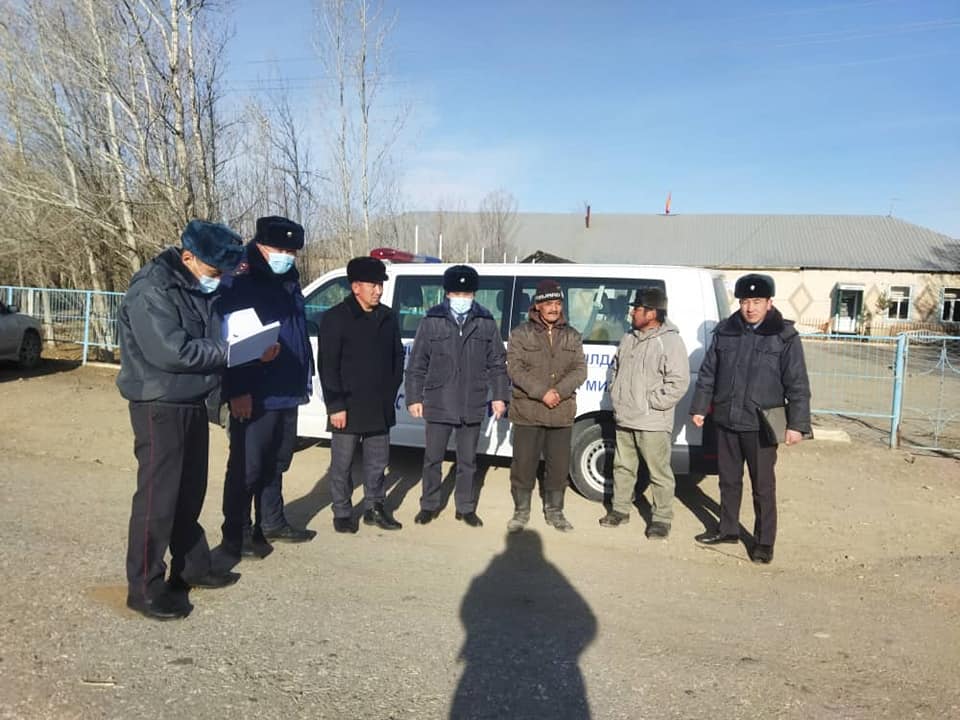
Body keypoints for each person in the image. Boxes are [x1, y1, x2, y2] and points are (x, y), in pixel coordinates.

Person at [117, 220, 278, 620]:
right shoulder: (152, 289)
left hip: (190, 400)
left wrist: (245, 349)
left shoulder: (196, 287)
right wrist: (230, 351)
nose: (217, 279)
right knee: (158, 499)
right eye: (213, 271)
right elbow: (171, 351)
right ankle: (144, 587)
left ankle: (192, 567)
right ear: (188, 257)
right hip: (159, 403)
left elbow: (206, 339)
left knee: (189, 492)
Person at [690, 273, 811, 564]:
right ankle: (728, 529)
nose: (750, 308)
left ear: (769, 303)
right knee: (728, 481)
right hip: (727, 419)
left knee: (763, 487)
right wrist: (699, 407)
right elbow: (708, 374)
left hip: (761, 425)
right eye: (745, 301)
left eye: (757, 301)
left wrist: (797, 425)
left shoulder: (784, 336)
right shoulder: (726, 332)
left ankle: (764, 542)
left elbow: (797, 384)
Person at [217, 216, 316, 560]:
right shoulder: (241, 277)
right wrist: (238, 389)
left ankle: (272, 520)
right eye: (281, 249)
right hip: (255, 389)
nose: (288, 256)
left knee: (277, 460)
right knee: (248, 465)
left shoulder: (288, 277)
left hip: (286, 386)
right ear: (261, 244)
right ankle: (237, 532)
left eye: (293, 251)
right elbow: (232, 337)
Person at [405, 265, 509, 528]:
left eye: (467, 293)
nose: (462, 298)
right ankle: (429, 505)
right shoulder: (432, 320)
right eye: (457, 293)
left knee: (468, 461)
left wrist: (500, 396)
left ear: (474, 294)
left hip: (471, 401)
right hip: (439, 400)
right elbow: (417, 363)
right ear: (447, 293)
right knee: (432, 459)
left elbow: (497, 363)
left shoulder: (485, 321)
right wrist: (414, 397)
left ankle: (465, 507)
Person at [318, 256, 404, 534]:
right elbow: (328, 366)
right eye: (373, 285)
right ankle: (342, 511)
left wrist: (390, 391)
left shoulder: (388, 317)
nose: (378, 291)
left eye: (380, 285)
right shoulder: (336, 318)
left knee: (378, 462)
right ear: (356, 287)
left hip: (379, 404)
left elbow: (397, 357)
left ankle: (374, 507)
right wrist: (335, 405)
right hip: (347, 405)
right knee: (342, 464)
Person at [600, 287, 690, 539]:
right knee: (622, 466)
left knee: (659, 472)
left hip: (652, 421)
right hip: (625, 416)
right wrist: (616, 393)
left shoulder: (670, 341)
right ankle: (620, 509)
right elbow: (615, 368)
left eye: (636, 308)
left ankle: (661, 519)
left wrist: (651, 403)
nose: (631, 313)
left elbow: (678, 382)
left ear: (651, 313)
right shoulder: (629, 337)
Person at [505, 279, 587, 533]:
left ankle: (555, 511)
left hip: (561, 411)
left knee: (558, 466)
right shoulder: (521, 334)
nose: (554, 308)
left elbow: (580, 370)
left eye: (558, 303)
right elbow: (515, 369)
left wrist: (558, 392)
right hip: (528, 411)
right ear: (537, 306)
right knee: (523, 464)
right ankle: (521, 511)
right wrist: (542, 393)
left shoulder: (572, 335)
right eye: (549, 303)